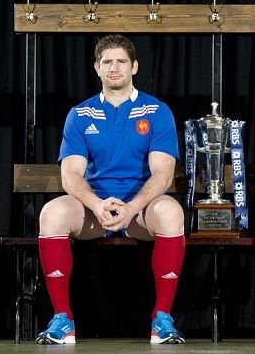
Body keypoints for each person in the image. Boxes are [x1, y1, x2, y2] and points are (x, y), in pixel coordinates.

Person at [36, 34, 185, 345]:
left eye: (121, 61)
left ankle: (162, 319)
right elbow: (71, 175)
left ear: (134, 66)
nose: (114, 68)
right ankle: (63, 318)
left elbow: (163, 173)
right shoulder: (80, 114)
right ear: (97, 68)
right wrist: (96, 204)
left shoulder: (156, 111)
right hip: (95, 211)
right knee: (52, 213)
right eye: (107, 62)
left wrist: (131, 207)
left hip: (140, 211)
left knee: (171, 212)